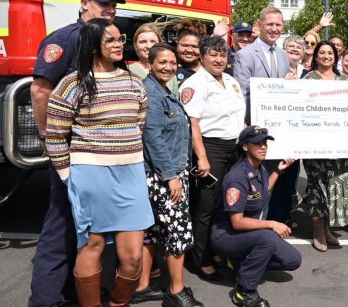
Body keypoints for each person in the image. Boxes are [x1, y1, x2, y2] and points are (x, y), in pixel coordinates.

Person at [45, 18, 153, 307]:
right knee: (92, 245)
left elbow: (138, 126)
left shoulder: (134, 82)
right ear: (93, 46)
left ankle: (118, 303)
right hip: (90, 175)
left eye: (121, 39)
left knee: (132, 256)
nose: (119, 44)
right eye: (111, 40)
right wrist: (69, 177)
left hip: (131, 173)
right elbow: (55, 136)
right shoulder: (71, 84)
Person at [29, 0, 124, 307]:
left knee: (84, 227)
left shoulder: (105, 43)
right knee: (61, 227)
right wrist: (47, 137)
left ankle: (73, 291)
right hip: (71, 151)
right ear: (84, 4)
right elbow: (41, 90)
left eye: (113, 5)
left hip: (96, 152)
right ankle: (45, 300)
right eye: (103, 4)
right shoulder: (67, 38)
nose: (110, 9)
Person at [131, 43, 203, 307]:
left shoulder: (163, 90)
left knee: (153, 232)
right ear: (150, 64)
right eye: (162, 62)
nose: (169, 67)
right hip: (165, 175)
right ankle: (176, 291)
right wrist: (172, 176)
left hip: (164, 173)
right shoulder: (152, 92)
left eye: (172, 63)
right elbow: (154, 139)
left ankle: (141, 286)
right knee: (177, 232)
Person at [211, 126, 302, 307]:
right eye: (257, 143)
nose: (263, 147)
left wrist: (278, 170)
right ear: (245, 147)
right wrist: (272, 224)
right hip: (226, 236)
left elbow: (262, 193)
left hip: (247, 236)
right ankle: (244, 291)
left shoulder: (260, 169)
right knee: (268, 237)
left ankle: (241, 262)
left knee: (293, 260)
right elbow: (237, 223)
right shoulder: (237, 177)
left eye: (265, 142)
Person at [181, 35, 246, 281]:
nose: (219, 59)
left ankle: (216, 250)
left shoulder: (230, 81)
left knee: (223, 205)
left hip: (234, 148)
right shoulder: (196, 83)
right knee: (205, 207)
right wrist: (202, 158)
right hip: (210, 149)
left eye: (222, 55)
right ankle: (199, 259)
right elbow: (193, 123)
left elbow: (237, 116)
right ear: (202, 56)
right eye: (213, 55)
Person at [234, 6, 293, 225]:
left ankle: (268, 227)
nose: (274, 29)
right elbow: (241, 92)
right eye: (270, 24)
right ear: (259, 26)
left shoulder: (283, 55)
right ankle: (251, 228)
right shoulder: (244, 55)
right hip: (254, 129)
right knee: (253, 183)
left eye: (278, 25)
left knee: (274, 179)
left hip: (277, 129)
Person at [303, 42, 348, 251]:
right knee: (317, 185)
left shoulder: (344, 80)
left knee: (335, 185)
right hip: (315, 143)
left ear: (335, 57)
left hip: (340, 143)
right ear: (316, 57)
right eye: (322, 53)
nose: (326, 56)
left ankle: (327, 228)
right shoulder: (308, 80)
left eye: (330, 53)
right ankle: (317, 230)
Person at [129, 22, 178, 94]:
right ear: (135, 46)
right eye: (143, 42)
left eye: (153, 42)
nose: (148, 46)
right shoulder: (127, 71)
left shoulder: (170, 72)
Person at [175, 19, 207, 84]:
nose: (189, 50)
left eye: (195, 46)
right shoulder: (171, 69)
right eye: (185, 45)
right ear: (177, 44)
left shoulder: (209, 68)